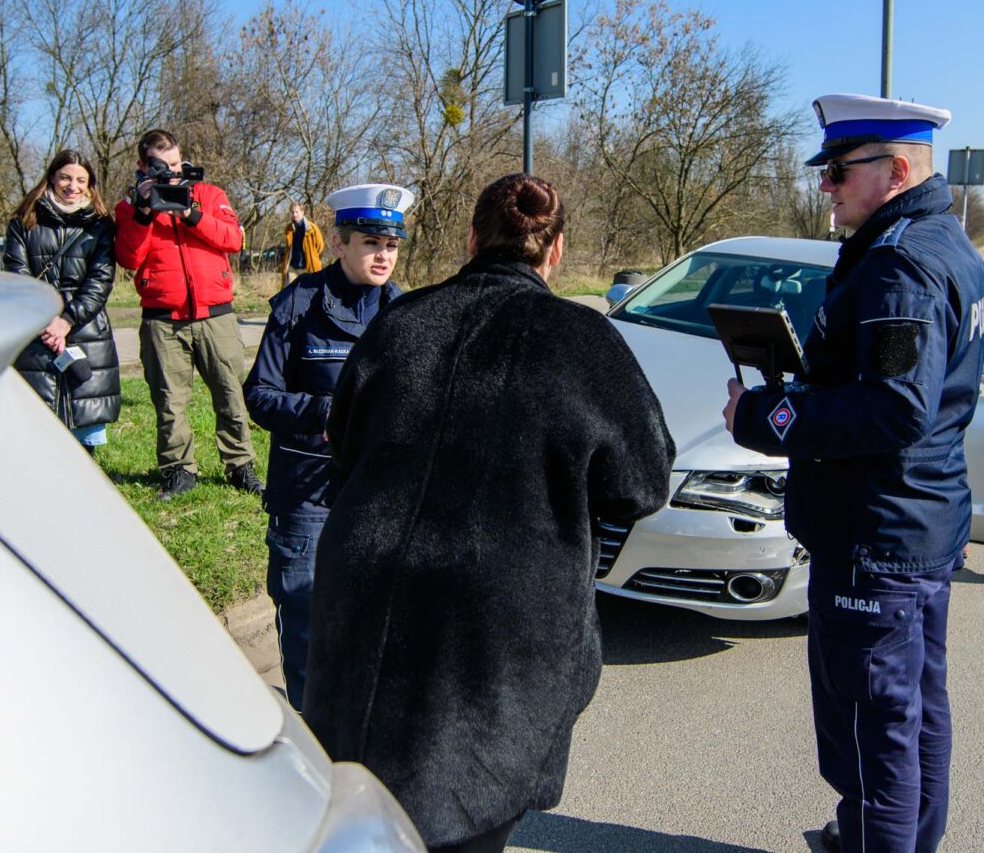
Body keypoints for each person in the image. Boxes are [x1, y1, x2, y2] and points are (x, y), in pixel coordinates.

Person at [301, 174, 675, 853]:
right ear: (553, 251)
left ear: (472, 238)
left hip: (362, 610)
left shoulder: (399, 322)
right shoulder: (582, 339)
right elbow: (642, 481)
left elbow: (342, 446)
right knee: (461, 823)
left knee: (360, 817)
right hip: (491, 638)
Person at [721, 95, 984, 853]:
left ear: (896, 170)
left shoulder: (901, 262)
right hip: (914, 525)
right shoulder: (942, 242)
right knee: (913, 714)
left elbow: (894, 410)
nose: (825, 187)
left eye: (839, 171)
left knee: (873, 731)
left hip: (877, 535)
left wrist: (765, 419)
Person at [244, 183, 412, 713]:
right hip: (306, 494)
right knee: (305, 616)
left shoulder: (407, 316)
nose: (383, 255)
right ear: (338, 244)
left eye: (391, 245)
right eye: (370, 242)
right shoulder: (297, 306)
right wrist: (327, 413)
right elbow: (260, 396)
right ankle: (306, 733)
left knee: (373, 623)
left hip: (376, 494)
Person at [114, 128, 264, 500]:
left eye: (177, 164)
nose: (172, 173)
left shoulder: (209, 195)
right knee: (169, 401)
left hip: (216, 316)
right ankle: (179, 471)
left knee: (231, 394)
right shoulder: (130, 207)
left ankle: (240, 466)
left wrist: (191, 213)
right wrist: (145, 212)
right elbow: (128, 258)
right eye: (161, 166)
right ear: (142, 165)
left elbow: (233, 239)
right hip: (162, 319)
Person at [2, 150, 121, 454]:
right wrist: (47, 322)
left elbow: (100, 280)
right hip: (37, 330)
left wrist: (66, 320)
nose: (73, 186)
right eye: (66, 177)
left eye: (81, 180)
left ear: (90, 184)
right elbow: (18, 274)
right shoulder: (23, 222)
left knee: (84, 425)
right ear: (52, 177)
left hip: (86, 328)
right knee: (37, 420)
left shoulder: (101, 225)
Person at [279, 200, 324, 288]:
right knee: (290, 293)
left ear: (302, 212)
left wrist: (312, 256)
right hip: (292, 267)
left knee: (309, 294)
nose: (294, 214)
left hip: (308, 267)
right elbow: (288, 248)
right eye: (292, 212)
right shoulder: (288, 228)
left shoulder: (312, 228)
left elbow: (320, 246)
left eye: (297, 212)